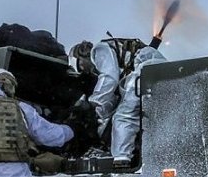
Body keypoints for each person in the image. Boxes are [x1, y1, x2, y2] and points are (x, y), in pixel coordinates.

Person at [70, 37, 165, 165]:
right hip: (155, 70)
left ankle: (121, 159)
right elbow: (111, 99)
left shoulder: (99, 50)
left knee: (124, 115)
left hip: (146, 68)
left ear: (81, 54)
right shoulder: (113, 55)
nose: (84, 70)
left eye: (80, 65)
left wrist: (93, 102)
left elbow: (110, 78)